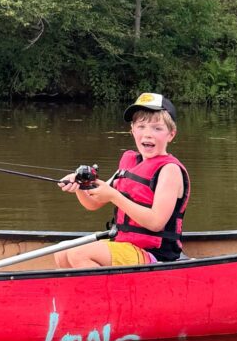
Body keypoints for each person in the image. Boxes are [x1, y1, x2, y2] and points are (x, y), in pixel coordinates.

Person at [55, 92, 190, 268]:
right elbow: (92, 203)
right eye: (141, 127)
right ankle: (82, 294)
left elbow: (156, 223)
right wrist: (80, 186)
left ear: (171, 134)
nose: (147, 134)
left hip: (155, 255)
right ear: (132, 130)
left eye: (157, 128)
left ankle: (105, 295)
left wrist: (114, 196)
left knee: (78, 254)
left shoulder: (169, 170)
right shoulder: (129, 163)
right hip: (125, 246)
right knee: (61, 252)